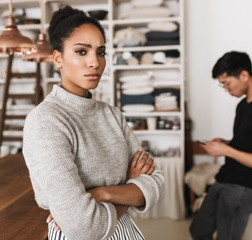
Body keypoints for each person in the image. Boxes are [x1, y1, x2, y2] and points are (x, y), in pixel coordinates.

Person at [23, 5, 164, 240]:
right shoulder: (46, 121)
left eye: (101, 52)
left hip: (127, 233)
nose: (95, 62)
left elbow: (156, 182)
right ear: (57, 58)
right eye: (81, 51)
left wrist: (100, 194)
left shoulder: (112, 115)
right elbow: (84, 228)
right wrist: (127, 188)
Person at [189, 51, 252, 240]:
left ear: (244, 75)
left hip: (245, 187)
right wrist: (225, 143)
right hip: (226, 178)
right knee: (198, 230)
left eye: (227, 84)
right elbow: (249, 143)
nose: (226, 90)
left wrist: (226, 150)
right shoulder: (243, 105)